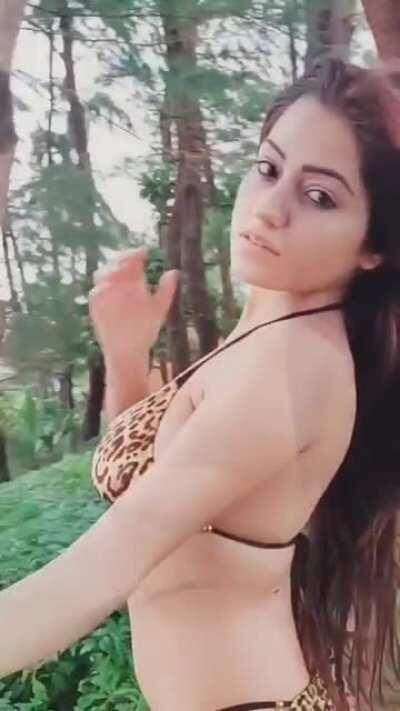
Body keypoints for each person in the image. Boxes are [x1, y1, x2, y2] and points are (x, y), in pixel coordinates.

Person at [1, 56, 400, 710]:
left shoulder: (291, 366)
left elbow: (96, 571)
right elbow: (160, 482)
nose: (269, 208)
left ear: (373, 247)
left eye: (319, 196)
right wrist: (127, 357)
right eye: (268, 168)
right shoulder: (271, 332)